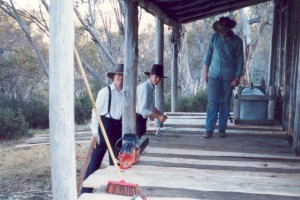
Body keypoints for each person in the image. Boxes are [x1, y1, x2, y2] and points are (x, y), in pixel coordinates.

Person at [81, 63, 124, 193]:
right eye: (118, 75)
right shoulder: (105, 92)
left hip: (118, 132)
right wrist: (95, 133)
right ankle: (85, 192)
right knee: (94, 163)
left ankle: (113, 193)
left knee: (116, 166)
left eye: (123, 75)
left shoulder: (127, 94)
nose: (120, 78)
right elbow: (95, 113)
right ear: (113, 76)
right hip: (104, 130)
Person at [202, 17, 244, 138]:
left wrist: (237, 78)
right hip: (213, 74)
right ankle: (209, 129)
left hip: (229, 76)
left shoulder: (237, 41)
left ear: (229, 29)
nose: (220, 32)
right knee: (212, 102)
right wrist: (205, 72)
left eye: (223, 30)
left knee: (224, 102)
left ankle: (222, 129)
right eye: (219, 29)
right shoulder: (214, 37)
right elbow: (208, 54)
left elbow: (240, 60)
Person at [136, 64, 168, 139]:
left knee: (141, 142)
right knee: (138, 143)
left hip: (141, 120)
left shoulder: (150, 87)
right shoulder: (145, 88)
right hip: (137, 119)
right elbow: (143, 110)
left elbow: (149, 105)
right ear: (150, 75)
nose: (158, 79)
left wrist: (160, 113)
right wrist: (158, 116)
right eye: (156, 77)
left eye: (159, 77)